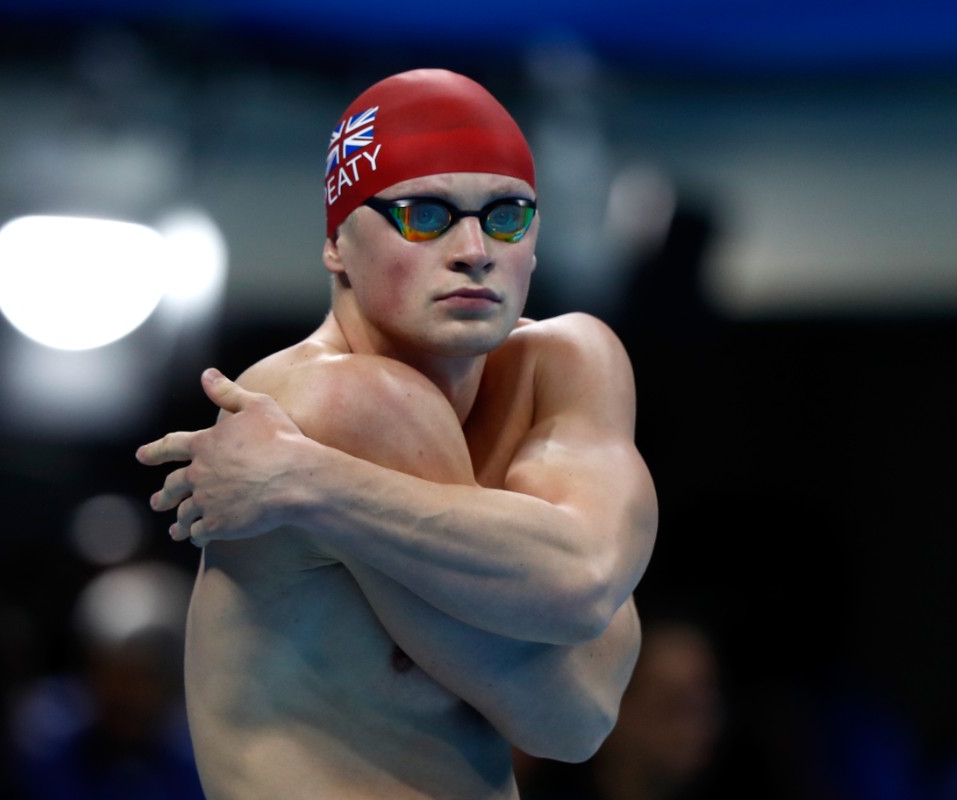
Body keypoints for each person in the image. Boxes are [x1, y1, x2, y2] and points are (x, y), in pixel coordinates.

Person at [136, 68, 658, 800]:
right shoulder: (341, 399)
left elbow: (581, 592)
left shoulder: (568, 361)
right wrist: (557, 579)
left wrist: (310, 482)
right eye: (425, 214)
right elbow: (566, 712)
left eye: (506, 215)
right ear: (336, 245)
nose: (474, 248)